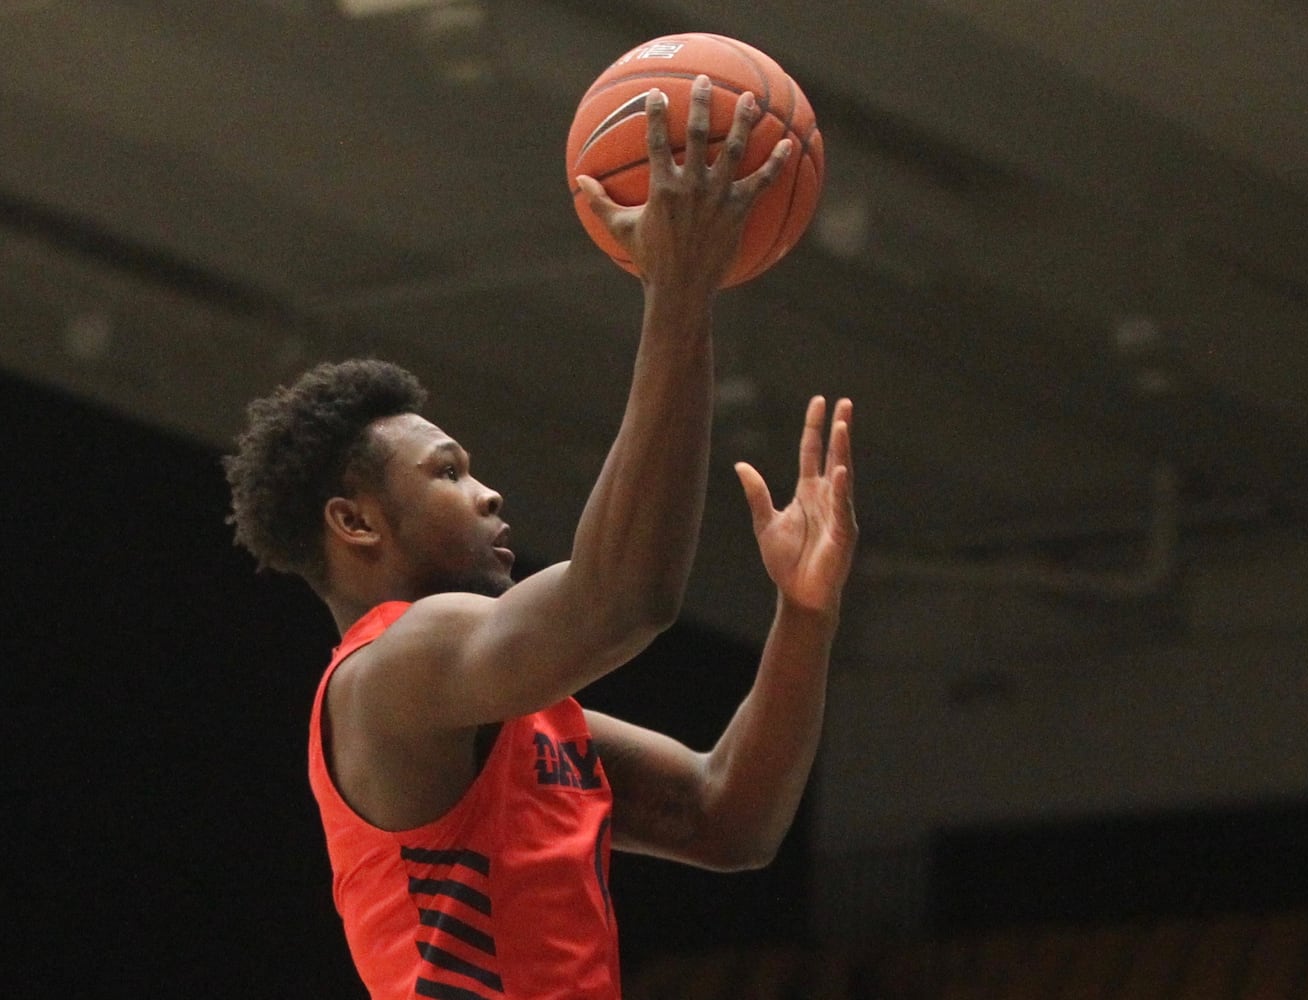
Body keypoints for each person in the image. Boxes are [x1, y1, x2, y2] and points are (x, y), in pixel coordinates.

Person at [222, 77, 856, 1000]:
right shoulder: (391, 671)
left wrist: (804, 615)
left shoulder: (513, 713)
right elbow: (620, 600)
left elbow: (729, 820)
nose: (487, 493)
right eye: (448, 472)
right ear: (355, 521)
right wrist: (677, 288)